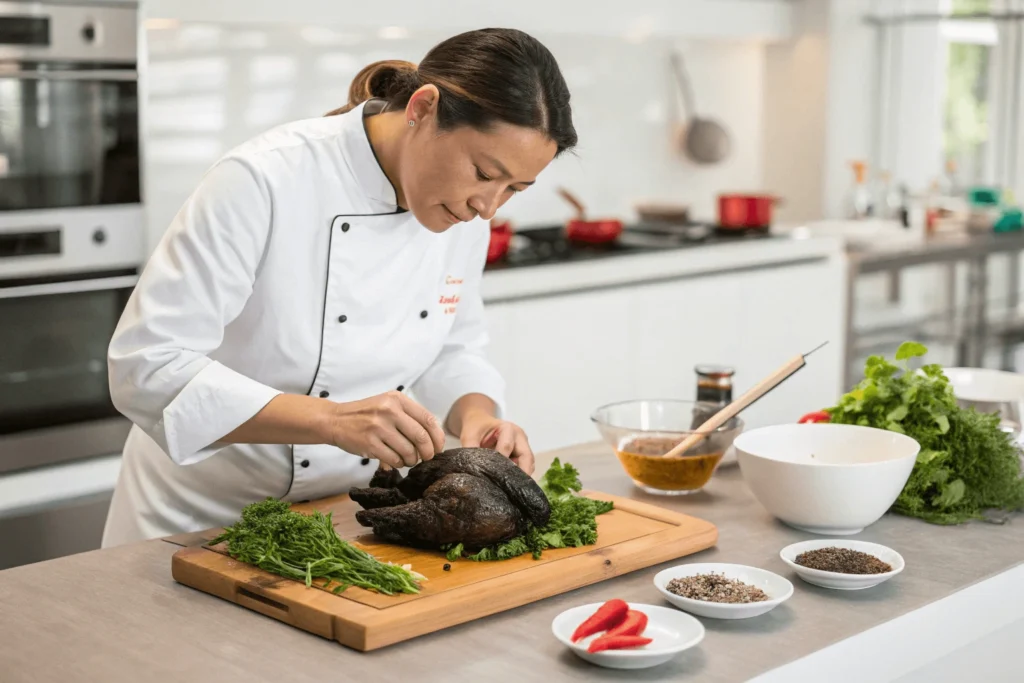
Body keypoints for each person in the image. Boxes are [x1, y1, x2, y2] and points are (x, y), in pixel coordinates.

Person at [100, 28, 577, 547]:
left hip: (344, 524)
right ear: (422, 108)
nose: (489, 206)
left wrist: (478, 416)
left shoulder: (465, 214)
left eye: (514, 189)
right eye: (485, 173)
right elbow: (147, 366)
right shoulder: (263, 179)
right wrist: (330, 419)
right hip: (196, 521)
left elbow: (454, 347)